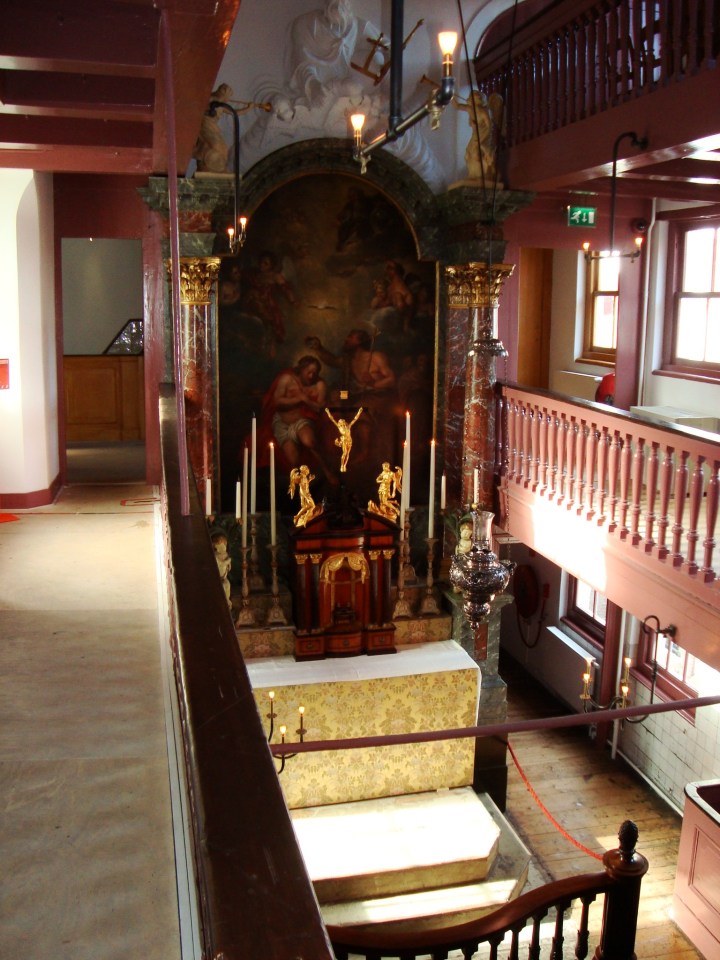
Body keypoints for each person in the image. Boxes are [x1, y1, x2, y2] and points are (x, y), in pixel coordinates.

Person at [257, 356, 330, 478]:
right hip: (282, 423)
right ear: (301, 369)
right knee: (293, 460)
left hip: (301, 420)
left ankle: (327, 470)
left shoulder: (319, 384)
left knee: (309, 441)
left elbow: (319, 408)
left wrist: (305, 400)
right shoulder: (287, 379)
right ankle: (302, 487)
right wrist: (298, 399)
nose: (312, 376)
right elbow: (277, 401)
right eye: (309, 372)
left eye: (315, 373)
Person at [325, 406, 362, 472]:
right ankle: (342, 465)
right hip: (344, 440)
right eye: (341, 422)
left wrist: (359, 412)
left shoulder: (348, 426)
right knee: (344, 453)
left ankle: (345, 465)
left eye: (343, 422)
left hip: (350, 440)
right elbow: (332, 419)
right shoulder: (339, 427)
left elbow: (355, 419)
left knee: (348, 454)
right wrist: (328, 412)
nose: (342, 423)